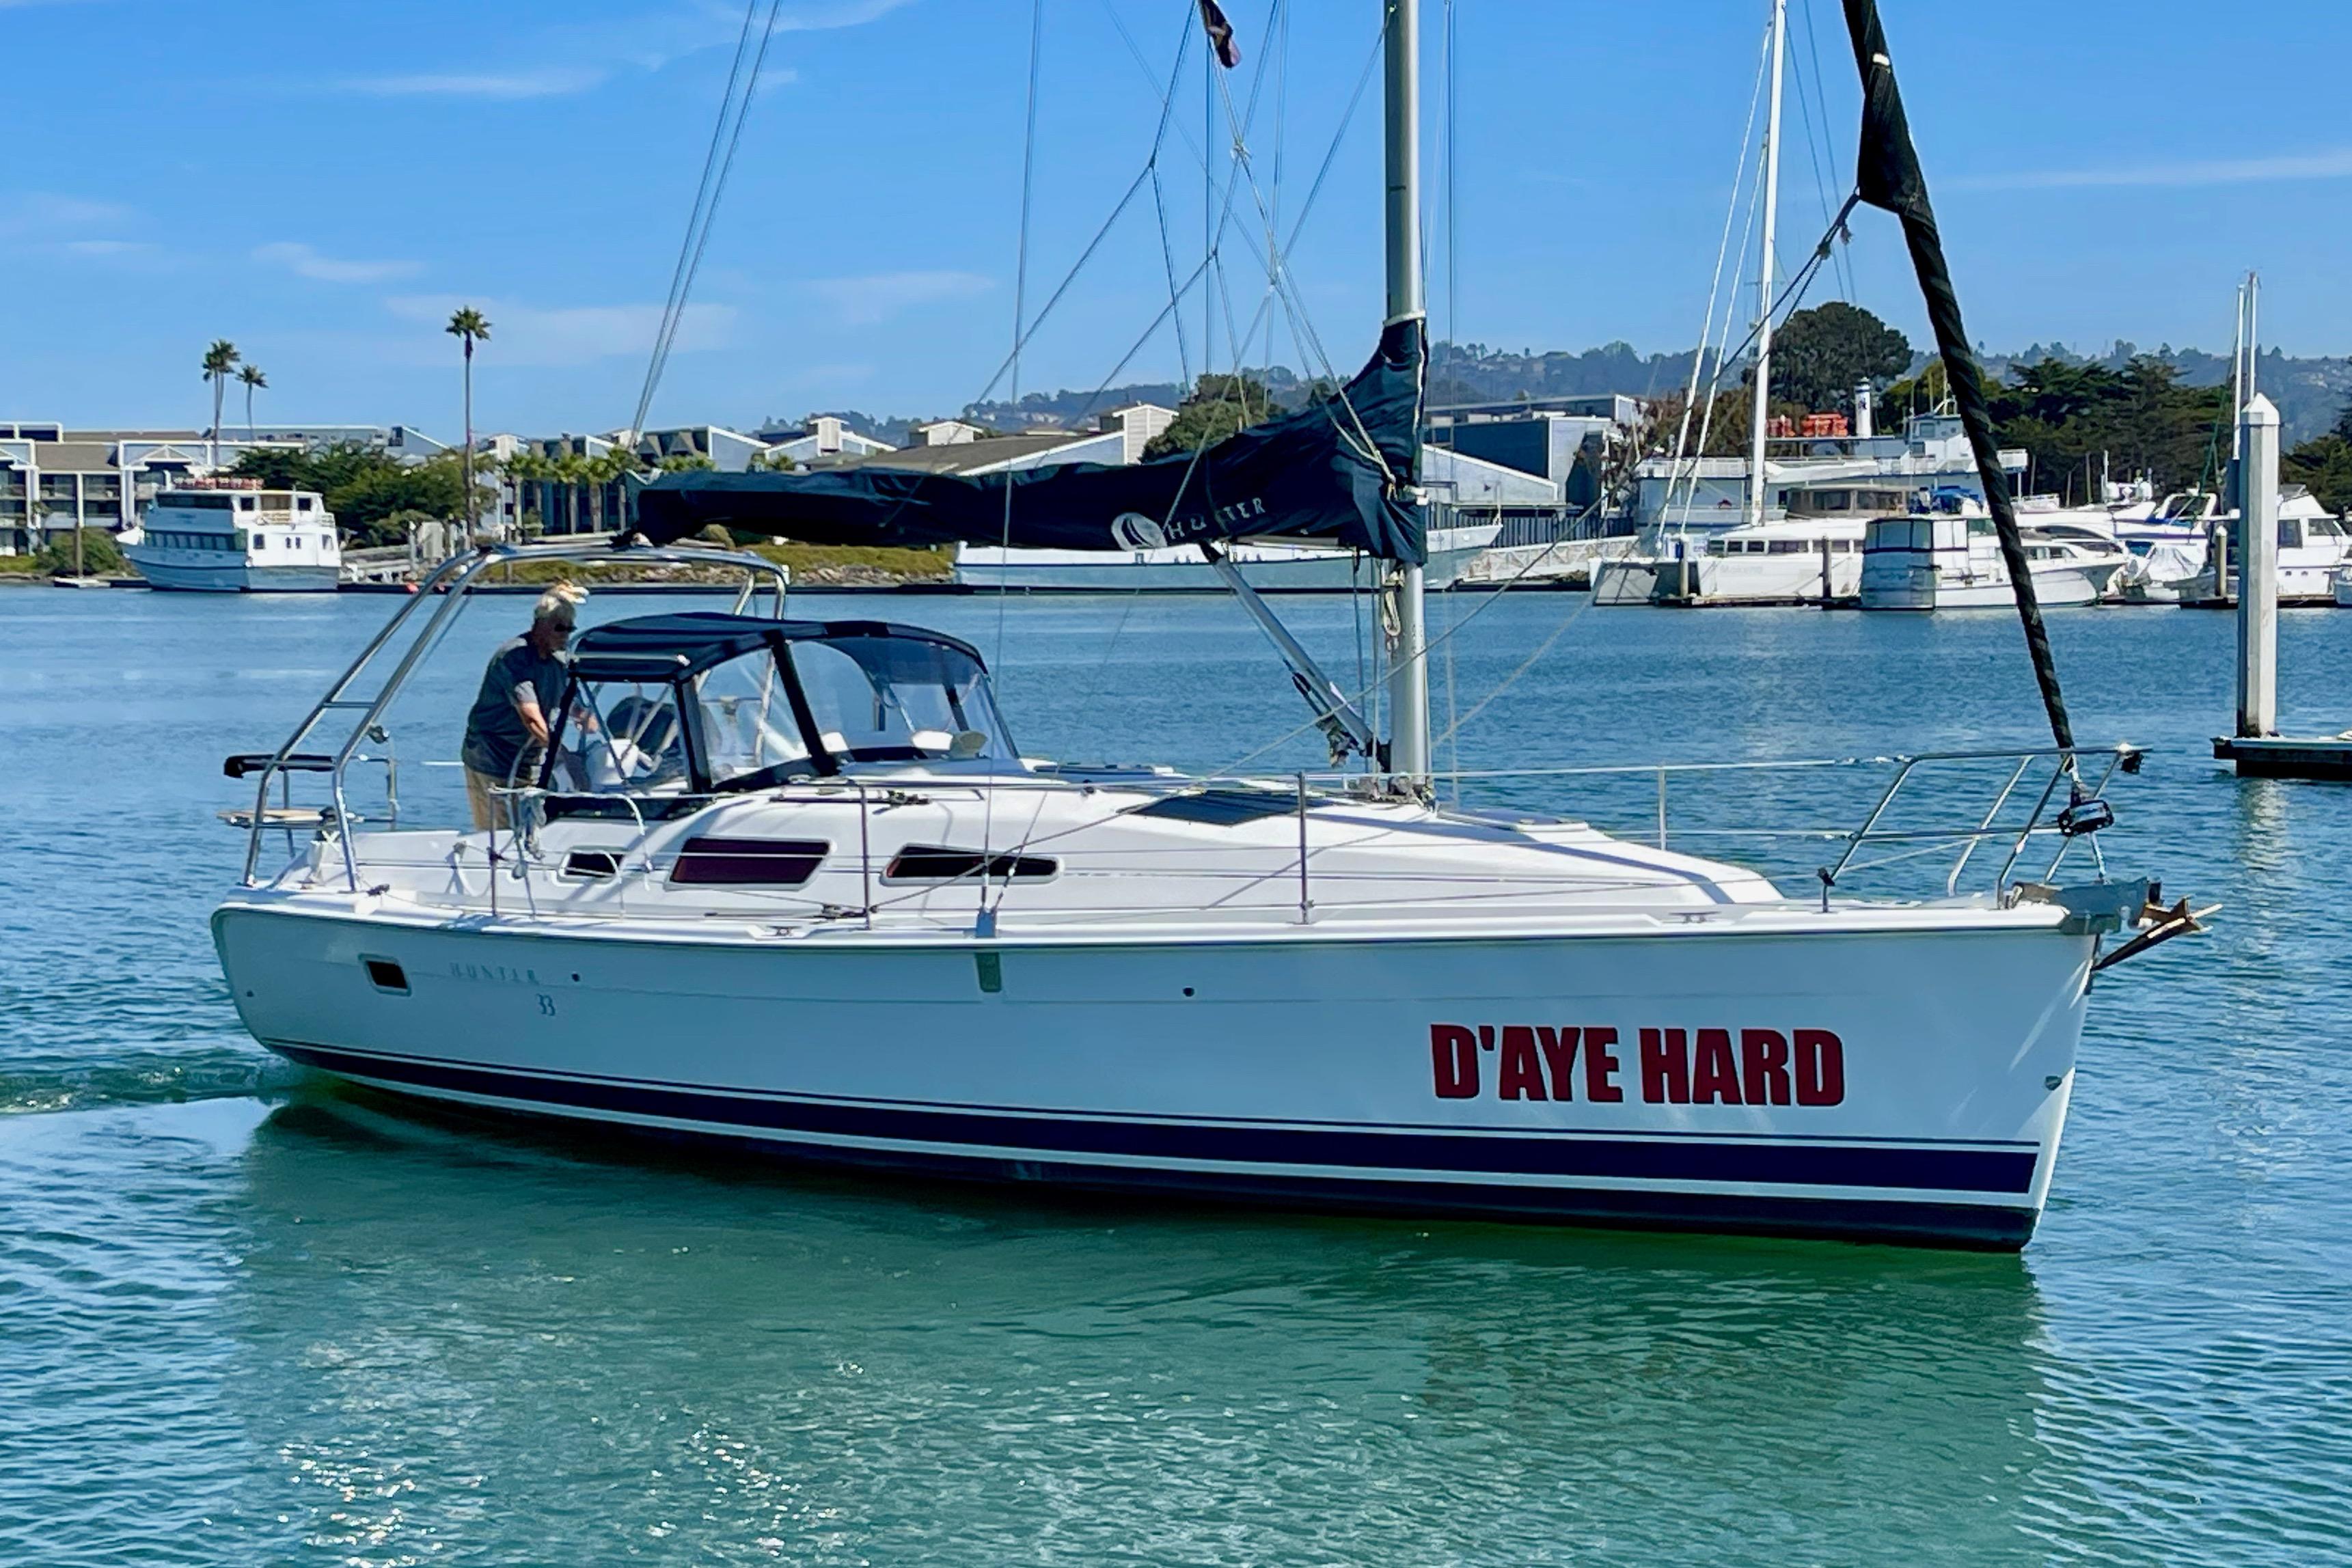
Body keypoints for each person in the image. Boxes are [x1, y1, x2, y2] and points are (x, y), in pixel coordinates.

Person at [461, 583, 585, 829]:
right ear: (540, 624)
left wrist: (586, 719)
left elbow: (573, 703)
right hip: (493, 758)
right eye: (560, 628)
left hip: (531, 759)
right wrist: (565, 756)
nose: (565, 635)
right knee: (502, 835)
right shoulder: (515, 658)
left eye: (570, 629)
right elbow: (531, 718)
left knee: (537, 827)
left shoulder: (559, 660)